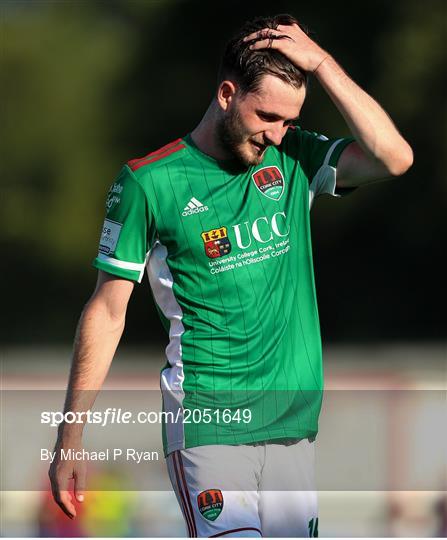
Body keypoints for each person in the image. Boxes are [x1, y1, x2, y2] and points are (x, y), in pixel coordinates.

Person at [49, 13, 413, 537]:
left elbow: (394, 157)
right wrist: (71, 436)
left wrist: (324, 64)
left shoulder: (296, 159)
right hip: (209, 422)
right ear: (226, 94)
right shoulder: (149, 182)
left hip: (293, 422)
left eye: (289, 120)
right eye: (267, 115)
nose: (277, 133)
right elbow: (107, 312)